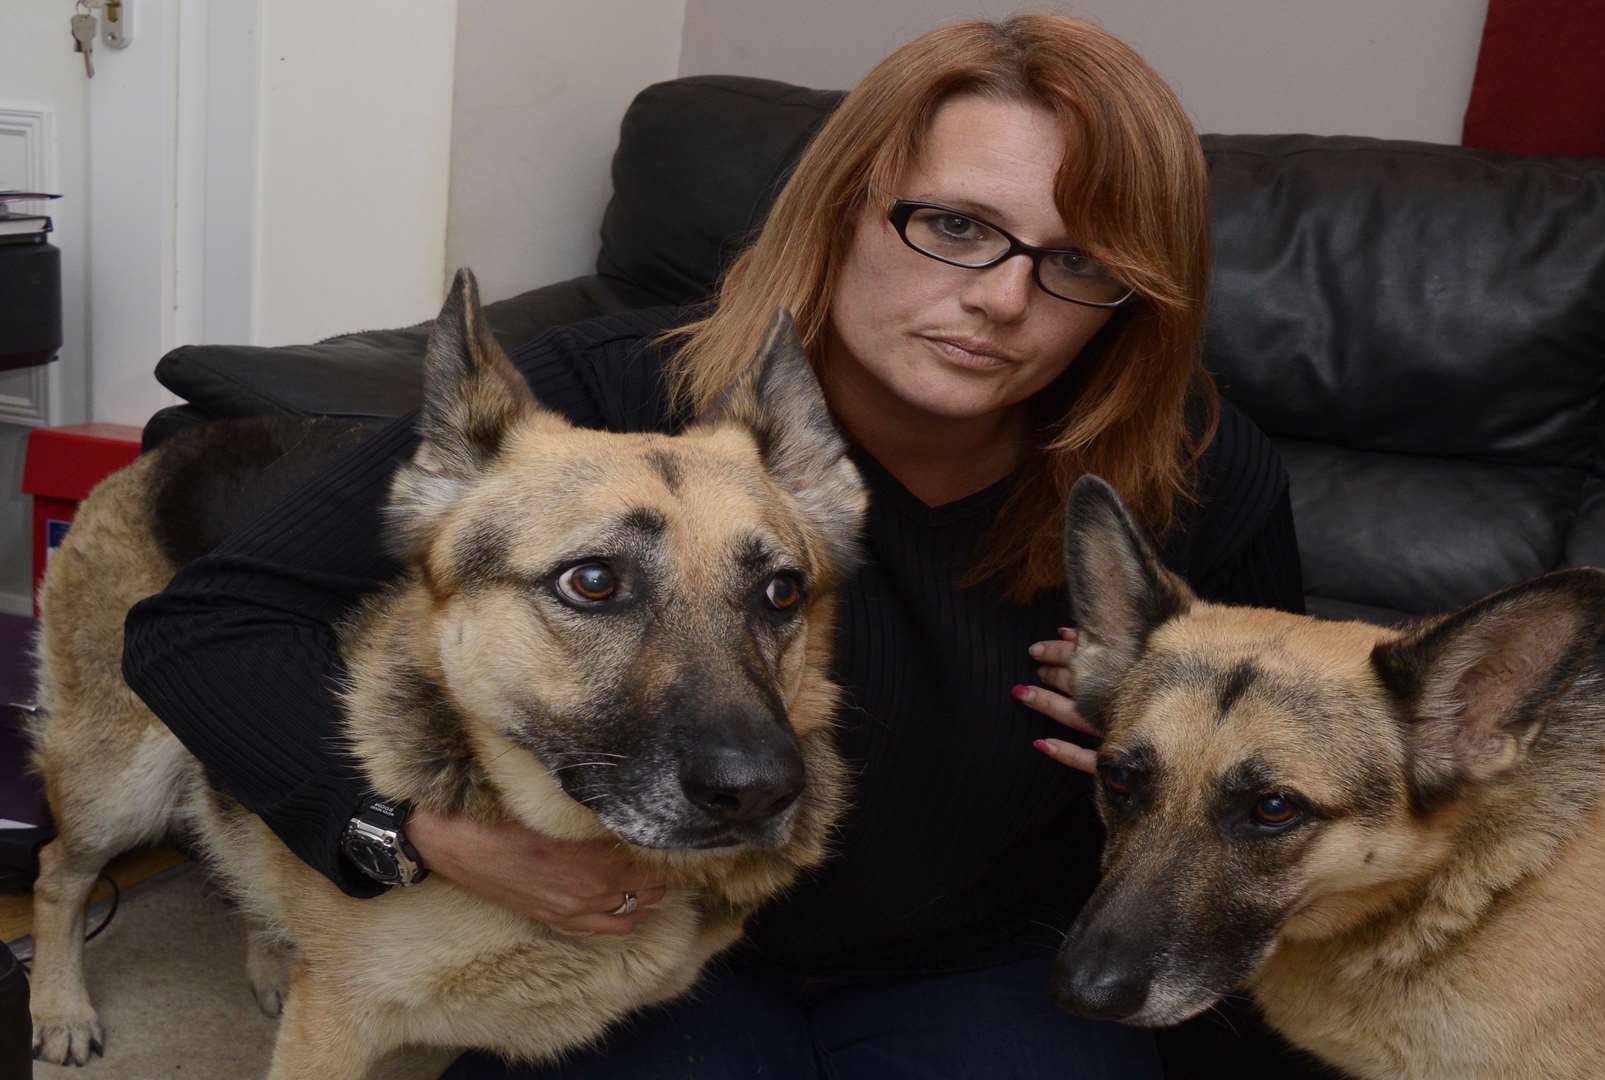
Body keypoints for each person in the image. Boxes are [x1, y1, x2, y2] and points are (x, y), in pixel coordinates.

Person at [122, 15, 1307, 1078]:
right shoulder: (596, 402)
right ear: (844, 204)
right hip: (637, 945)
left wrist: (1162, 735)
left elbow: (1292, 752)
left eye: (1078, 261)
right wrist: (414, 836)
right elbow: (207, 627)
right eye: (955, 225)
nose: (1003, 299)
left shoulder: (1194, 466)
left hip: (986, 959)